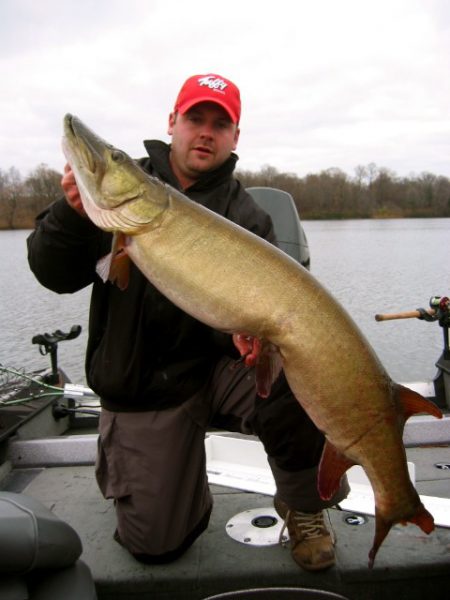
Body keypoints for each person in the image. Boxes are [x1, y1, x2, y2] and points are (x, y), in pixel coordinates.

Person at [27, 73, 349, 572]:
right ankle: (177, 485)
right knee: (156, 546)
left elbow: (252, 308)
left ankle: (304, 504)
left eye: (220, 124)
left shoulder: (248, 216)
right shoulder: (119, 190)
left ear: (235, 137)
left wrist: (245, 333)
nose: (205, 132)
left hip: (222, 373)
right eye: (195, 118)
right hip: (144, 385)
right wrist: (72, 215)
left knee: (301, 371)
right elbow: (54, 275)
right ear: (172, 122)